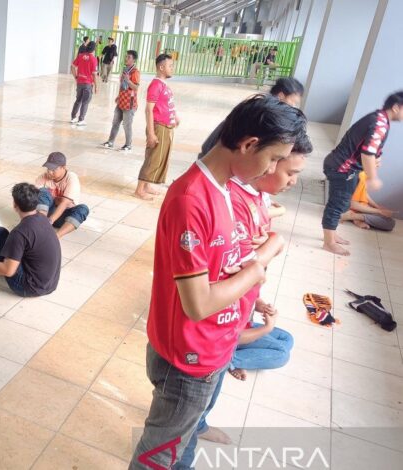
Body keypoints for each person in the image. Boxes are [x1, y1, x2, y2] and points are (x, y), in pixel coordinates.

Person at [129, 94, 307, 470]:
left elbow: (222, 261)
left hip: (210, 346)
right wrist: (257, 267)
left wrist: (256, 259)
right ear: (247, 145)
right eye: (274, 159)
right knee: (156, 454)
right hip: (190, 355)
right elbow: (198, 303)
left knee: (178, 439)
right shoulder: (193, 198)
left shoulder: (227, 187)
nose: (273, 168)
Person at [190, 132, 312, 450]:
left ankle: (230, 358)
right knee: (272, 354)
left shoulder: (258, 199)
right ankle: (201, 417)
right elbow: (240, 267)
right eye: (286, 168)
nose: (293, 181)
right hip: (222, 320)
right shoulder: (226, 200)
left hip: (241, 304)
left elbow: (245, 264)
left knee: (285, 341)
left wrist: (254, 299)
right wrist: (273, 243)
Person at [322, 91, 403, 255]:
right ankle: (328, 242)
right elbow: (368, 153)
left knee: (343, 204)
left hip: (346, 169)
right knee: (337, 206)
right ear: (396, 107)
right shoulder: (379, 123)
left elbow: (369, 150)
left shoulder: (379, 119)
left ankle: (333, 234)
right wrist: (373, 177)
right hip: (341, 169)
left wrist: (375, 160)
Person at [0, 183, 61, 297]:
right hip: (50, 284)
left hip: (29, 288)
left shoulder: (19, 232)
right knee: (0, 233)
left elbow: (8, 270)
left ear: (15, 205)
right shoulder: (44, 219)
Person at [198, 77, 304, 159]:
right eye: (293, 102)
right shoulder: (265, 114)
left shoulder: (263, 106)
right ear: (281, 95)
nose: (294, 107)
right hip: (215, 158)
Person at [135, 53, 178, 200]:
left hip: (166, 127)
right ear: (161, 67)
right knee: (153, 158)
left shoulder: (163, 84)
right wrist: (152, 133)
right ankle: (140, 189)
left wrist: (175, 117)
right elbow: (149, 109)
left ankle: (147, 185)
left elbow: (166, 104)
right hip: (158, 127)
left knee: (159, 159)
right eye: (170, 66)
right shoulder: (155, 85)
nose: (172, 68)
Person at [34, 152, 90, 238]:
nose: (49, 172)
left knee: (83, 209)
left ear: (63, 167)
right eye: (48, 168)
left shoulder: (71, 177)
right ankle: (41, 224)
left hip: (63, 217)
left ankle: (56, 236)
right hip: (47, 213)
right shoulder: (43, 177)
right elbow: (33, 198)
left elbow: (64, 204)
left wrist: (50, 221)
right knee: (42, 191)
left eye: (53, 169)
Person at [101, 50, 140, 152]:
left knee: (127, 125)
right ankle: (110, 142)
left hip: (129, 103)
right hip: (121, 100)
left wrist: (128, 80)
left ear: (134, 59)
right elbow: (122, 85)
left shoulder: (135, 72)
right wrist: (119, 95)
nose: (126, 59)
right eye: (126, 56)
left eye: (129, 57)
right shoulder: (125, 70)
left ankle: (128, 145)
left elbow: (136, 87)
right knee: (115, 122)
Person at [70, 41, 98, 126]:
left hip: (79, 82)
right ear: (94, 49)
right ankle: (81, 120)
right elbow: (94, 74)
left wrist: (76, 77)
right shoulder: (93, 59)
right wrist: (96, 86)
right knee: (85, 102)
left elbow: (72, 66)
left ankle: (73, 118)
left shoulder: (80, 56)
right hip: (87, 83)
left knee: (78, 100)